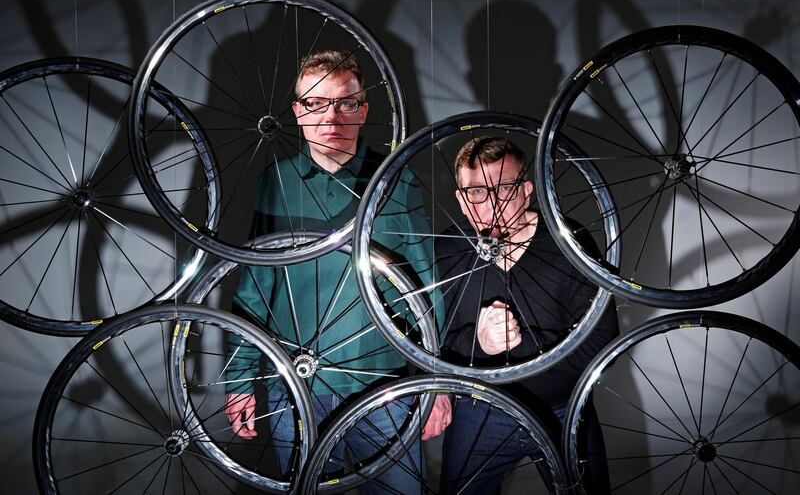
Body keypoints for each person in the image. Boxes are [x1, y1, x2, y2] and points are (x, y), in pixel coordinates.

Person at [222, 50, 444, 490]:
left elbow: (427, 283)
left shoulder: (397, 178)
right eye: (317, 103)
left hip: (387, 388)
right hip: (296, 386)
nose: (332, 117)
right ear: (297, 113)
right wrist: (241, 378)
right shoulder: (276, 180)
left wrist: (436, 382)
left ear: (363, 111)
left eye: (345, 103)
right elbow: (256, 286)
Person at [432, 136, 617, 494]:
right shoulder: (446, 250)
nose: (492, 205)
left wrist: (535, 376)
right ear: (460, 199)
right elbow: (435, 345)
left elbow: (602, 335)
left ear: (527, 191)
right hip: (479, 414)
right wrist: (480, 343)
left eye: (504, 188)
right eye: (476, 193)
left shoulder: (569, 242)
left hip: (561, 412)